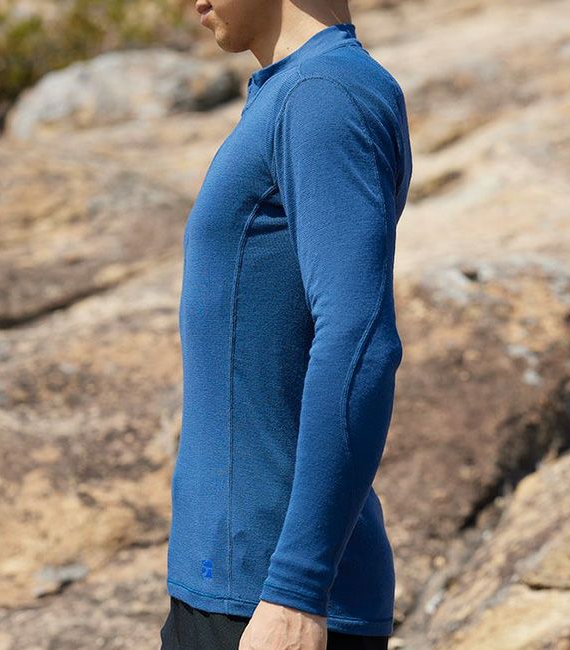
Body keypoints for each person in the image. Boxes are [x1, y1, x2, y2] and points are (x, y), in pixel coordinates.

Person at [160, 0, 412, 648]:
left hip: (272, 600)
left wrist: (298, 591)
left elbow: (359, 339)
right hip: (226, 587)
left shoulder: (324, 94)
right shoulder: (295, 90)